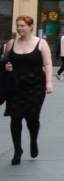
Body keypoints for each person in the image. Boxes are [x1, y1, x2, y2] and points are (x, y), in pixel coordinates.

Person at [3, 15, 54, 165]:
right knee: (15, 117)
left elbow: (48, 63)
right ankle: (17, 150)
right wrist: (6, 66)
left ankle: (33, 140)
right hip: (15, 86)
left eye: (22, 26)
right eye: (18, 26)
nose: (19, 28)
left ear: (31, 27)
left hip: (36, 85)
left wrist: (49, 82)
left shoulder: (41, 43)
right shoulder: (11, 43)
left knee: (32, 117)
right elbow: (4, 60)